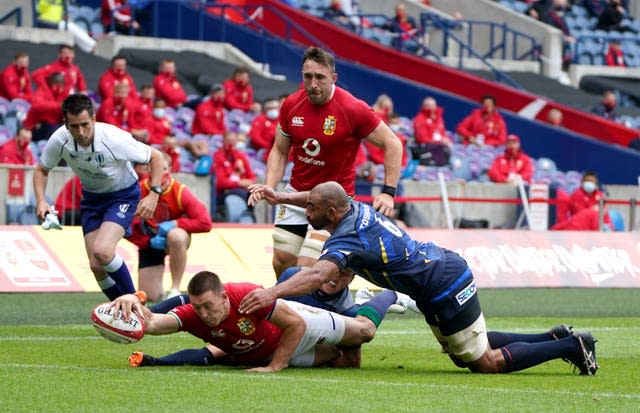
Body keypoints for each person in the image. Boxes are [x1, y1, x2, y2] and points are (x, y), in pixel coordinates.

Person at [240, 181, 600, 376]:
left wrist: (271, 292)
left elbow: (319, 274)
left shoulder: (347, 237)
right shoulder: (351, 207)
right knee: (462, 351)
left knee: (483, 363)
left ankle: (571, 346)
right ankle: (552, 337)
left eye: (312, 209)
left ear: (330, 213)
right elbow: (322, 196)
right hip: (436, 273)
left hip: (444, 282)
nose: (308, 211)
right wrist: (283, 196)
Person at [248, 47, 403, 277]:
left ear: (333, 77)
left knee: (306, 267)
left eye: (320, 77)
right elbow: (280, 151)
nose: (313, 84)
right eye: (307, 77)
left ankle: (321, 301)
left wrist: (388, 192)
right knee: (282, 263)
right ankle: (294, 308)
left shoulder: (352, 108)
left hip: (333, 201)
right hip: (295, 195)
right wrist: (270, 185)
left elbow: (393, 143)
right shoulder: (291, 105)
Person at [112, 270, 397, 371]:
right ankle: (354, 311)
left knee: (366, 331)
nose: (204, 314)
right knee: (346, 363)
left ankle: (390, 295)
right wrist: (132, 306)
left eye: (209, 306)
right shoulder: (193, 315)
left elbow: (295, 325)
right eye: (197, 308)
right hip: (273, 348)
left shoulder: (247, 296)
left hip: (297, 326)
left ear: (224, 297)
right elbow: (152, 324)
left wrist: (275, 367)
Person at [33, 93, 165, 300]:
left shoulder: (115, 138)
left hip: (123, 195)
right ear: (65, 124)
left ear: (94, 119)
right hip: (92, 199)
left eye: (85, 124)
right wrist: (41, 200)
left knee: (103, 251)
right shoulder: (59, 139)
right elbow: (41, 170)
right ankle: (123, 313)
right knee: (96, 266)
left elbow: (157, 157)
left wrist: (153, 195)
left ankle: (135, 304)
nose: (81, 132)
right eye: (74, 126)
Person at [126, 154, 212, 301]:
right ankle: (160, 290)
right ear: (148, 170)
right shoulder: (139, 190)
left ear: (170, 169)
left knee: (176, 236)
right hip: (150, 241)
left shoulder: (180, 191)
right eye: (155, 169)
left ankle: (175, 289)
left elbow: (205, 222)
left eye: (163, 168)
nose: (160, 173)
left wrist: (176, 224)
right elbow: (125, 226)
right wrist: (147, 242)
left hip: (175, 238)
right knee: (150, 296)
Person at [214, 131, 257, 223]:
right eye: (229, 141)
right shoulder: (218, 156)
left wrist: (246, 183)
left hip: (244, 193)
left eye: (234, 141)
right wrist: (239, 183)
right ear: (224, 141)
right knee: (233, 201)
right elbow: (220, 182)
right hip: (226, 193)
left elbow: (252, 179)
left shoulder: (241, 156)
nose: (231, 143)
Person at [22, 72, 66, 143]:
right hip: (33, 128)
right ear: (52, 83)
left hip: (51, 125)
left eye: (62, 84)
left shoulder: (60, 94)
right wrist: (58, 105)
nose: (61, 87)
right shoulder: (42, 91)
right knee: (56, 131)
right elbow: (36, 105)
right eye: (58, 84)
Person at [412, 96, 451, 166]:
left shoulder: (439, 118)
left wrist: (445, 140)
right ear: (424, 107)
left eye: (433, 105)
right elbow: (421, 138)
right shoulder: (419, 119)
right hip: (426, 148)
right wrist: (439, 141)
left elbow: (443, 133)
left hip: (439, 148)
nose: (432, 108)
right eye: (429, 106)